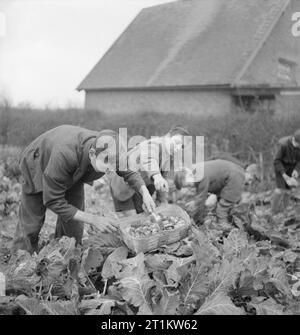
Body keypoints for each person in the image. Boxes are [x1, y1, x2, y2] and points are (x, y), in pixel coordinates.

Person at [12, 125, 156, 254]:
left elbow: (128, 171)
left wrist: (144, 192)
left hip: (74, 173)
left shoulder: (111, 150)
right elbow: (52, 201)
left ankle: (63, 259)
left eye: (114, 163)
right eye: (106, 162)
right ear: (93, 154)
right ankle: (20, 264)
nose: (110, 168)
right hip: (38, 163)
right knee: (31, 224)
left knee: (73, 229)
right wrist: (94, 219)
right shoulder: (65, 154)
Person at [108, 126, 191, 214]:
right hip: (124, 184)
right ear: (167, 136)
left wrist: (161, 200)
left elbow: (163, 178)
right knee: (131, 220)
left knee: (144, 216)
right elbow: (149, 159)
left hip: (141, 187)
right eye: (177, 142)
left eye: (182, 147)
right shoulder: (153, 144)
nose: (178, 148)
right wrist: (156, 175)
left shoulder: (169, 157)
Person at [174, 159, 260, 230]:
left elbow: (200, 201)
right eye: (188, 186)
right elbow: (201, 197)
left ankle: (224, 227)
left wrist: (196, 220)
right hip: (229, 177)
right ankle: (227, 221)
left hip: (233, 178)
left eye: (189, 185)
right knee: (222, 204)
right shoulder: (196, 171)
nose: (190, 187)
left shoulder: (199, 175)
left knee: (223, 208)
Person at [271, 130, 300, 215]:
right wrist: (283, 174)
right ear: (294, 140)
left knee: (288, 191)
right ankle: (273, 212)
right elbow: (276, 161)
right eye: (298, 144)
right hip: (281, 168)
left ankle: (286, 211)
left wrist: (296, 170)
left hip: (292, 168)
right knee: (279, 190)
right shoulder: (284, 145)